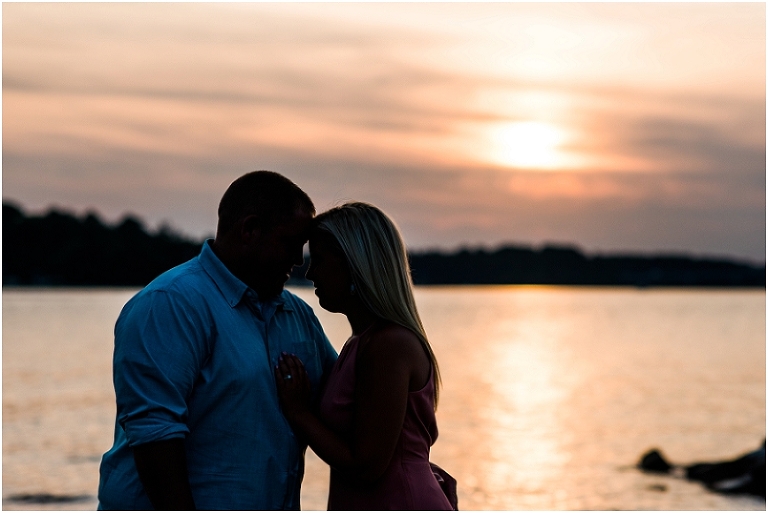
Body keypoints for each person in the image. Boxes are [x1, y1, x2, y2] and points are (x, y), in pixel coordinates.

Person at [97, 171, 338, 510]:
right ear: (249, 230)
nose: (299, 261)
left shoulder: (297, 315)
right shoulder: (170, 304)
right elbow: (155, 438)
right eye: (290, 244)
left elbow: (345, 398)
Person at [274, 202, 454, 510]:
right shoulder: (361, 343)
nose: (310, 272)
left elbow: (367, 465)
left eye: (318, 260)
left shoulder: (389, 345)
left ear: (355, 264)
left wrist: (298, 412)